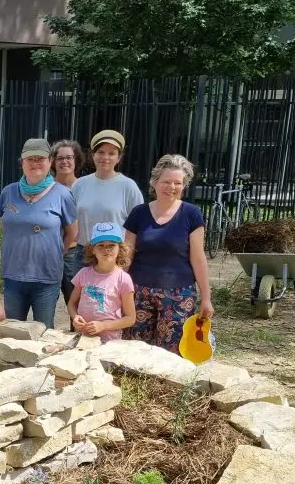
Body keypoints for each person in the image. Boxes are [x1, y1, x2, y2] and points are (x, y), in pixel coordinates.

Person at [124, 154, 214, 352]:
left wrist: (206, 297)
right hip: (139, 292)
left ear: (184, 185)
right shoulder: (138, 213)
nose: (171, 187)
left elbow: (198, 259)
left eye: (177, 183)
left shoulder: (191, 214)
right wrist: (116, 289)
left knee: (171, 353)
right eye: (166, 181)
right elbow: (126, 256)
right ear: (155, 182)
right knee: (135, 350)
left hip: (179, 295)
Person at [0, 138, 77, 329]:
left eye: (40, 158)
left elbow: (73, 233)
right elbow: (1, 226)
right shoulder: (9, 192)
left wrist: (56, 252)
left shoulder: (62, 194)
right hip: (13, 275)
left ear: (50, 162)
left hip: (46, 277)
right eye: (30, 159)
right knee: (12, 332)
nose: (35, 163)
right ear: (22, 162)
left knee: (44, 331)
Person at [70, 129, 143, 273]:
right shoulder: (80, 184)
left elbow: (137, 226)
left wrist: (126, 261)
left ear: (119, 157)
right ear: (93, 155)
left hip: (113, 255)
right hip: (83, 253)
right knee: (79, 295)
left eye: (112, 153)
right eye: (101, 152)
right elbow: (69, 219)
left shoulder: (128, 186)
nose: (106, 157)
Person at [68, 222, 136, 343]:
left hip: (109, 342)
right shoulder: (83, 273)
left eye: (111, 245)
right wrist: (75, 317)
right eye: (101, 245)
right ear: (93, 249)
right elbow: (72, 304)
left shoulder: (123, 279)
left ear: (120, 248)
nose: (106, 249)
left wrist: (103, 325)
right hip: (83, 338)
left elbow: (130, 318)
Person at [50, 139, 86, 302]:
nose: (65, 161)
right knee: (46, 300)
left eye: (69, 157)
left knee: (76, 301)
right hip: (48, 251)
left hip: (75, 252)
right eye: (60, 158)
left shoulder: (85, 186)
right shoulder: (46, 187)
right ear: (53, 161)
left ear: (76, 159)